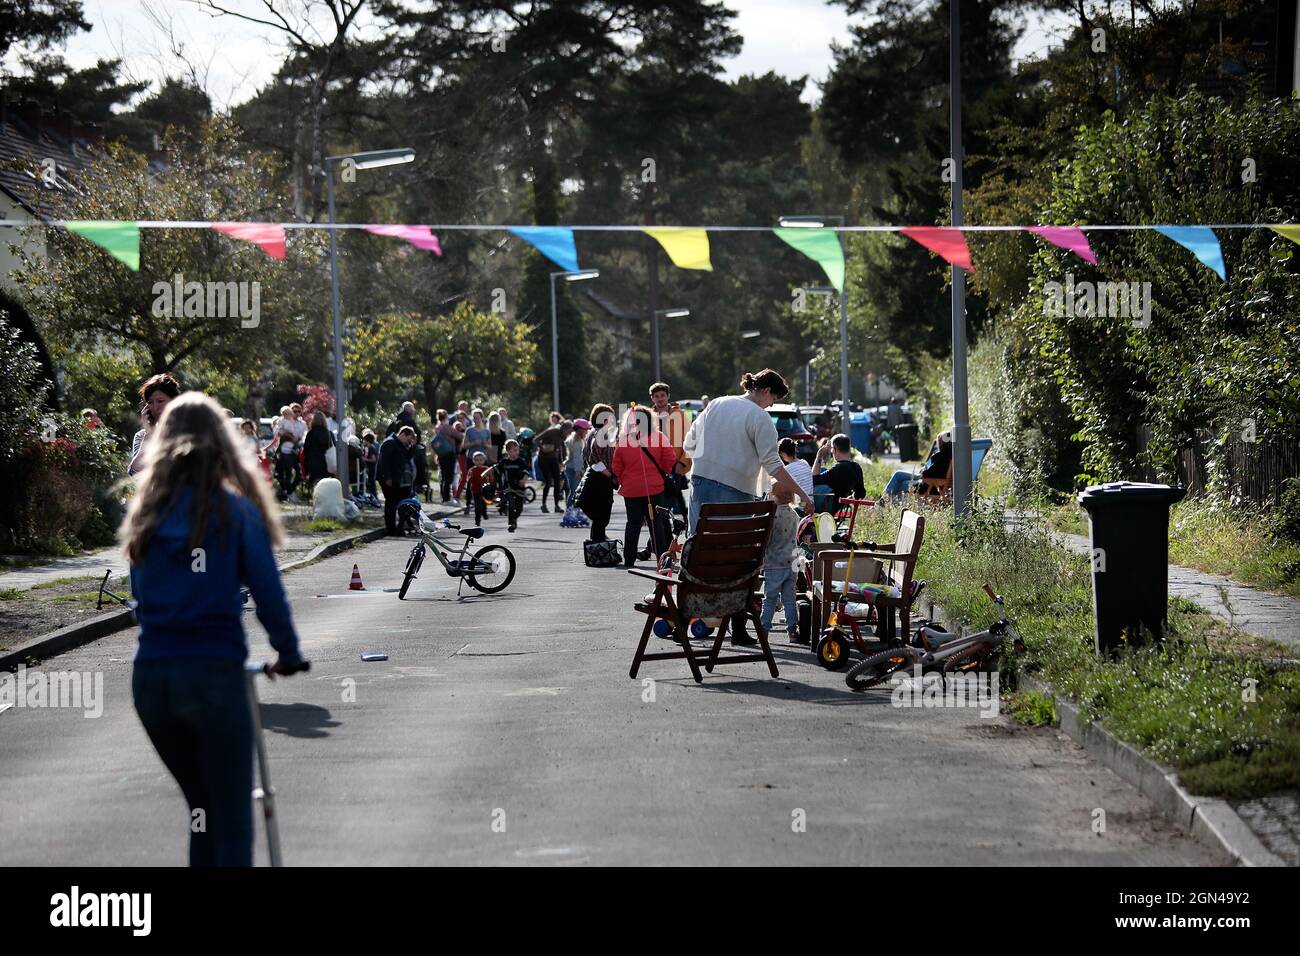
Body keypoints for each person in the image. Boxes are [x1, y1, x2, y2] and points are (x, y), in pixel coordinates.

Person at [122, 392, 304, 867]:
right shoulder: (235, 511)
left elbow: (140, 597)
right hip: (213, 676)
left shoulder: (146, 513)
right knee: (233, 820)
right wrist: (287, 652)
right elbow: (268, 594)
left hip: (153, 680)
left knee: (202, 809)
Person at [681, 368, 813, 534]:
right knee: (732, 549)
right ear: (766, 391)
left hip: (700, 482)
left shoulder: (716, 403)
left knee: (698, 545)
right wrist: (804, 495)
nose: (772, 404)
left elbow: (689, 444)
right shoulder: (761, 417)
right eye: (773, 398)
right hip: (735, 490)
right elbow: (774, 466)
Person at [612, 406, 676, 568]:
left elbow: (616, 466)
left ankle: (629, 558)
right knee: (656, 524)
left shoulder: (624, 440)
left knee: (633, 524)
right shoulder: (659, 437)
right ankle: (662, 559)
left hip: (631, 488)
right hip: (655, 487)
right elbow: (670, 459)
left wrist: (624, 480)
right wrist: (661, 473)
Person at [760, 480, 802, 644]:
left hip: (774, 563)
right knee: (790, 599)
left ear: (773, 495)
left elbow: (767, 540)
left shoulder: (773, 516)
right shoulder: (794, 515)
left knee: (769, 598)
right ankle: (792, 631)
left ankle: (764, 630)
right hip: (792, 562)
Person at [648, 382, 692, 517]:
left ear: (668, 396)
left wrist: (682, 463)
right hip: (654, 467)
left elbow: (691, 441)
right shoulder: (647, 417)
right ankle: (663, 535)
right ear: (652, 398)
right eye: (656, 396)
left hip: (674, 465)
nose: (660, 398)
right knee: (659, 505)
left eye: (662, 395)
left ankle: (663, 535)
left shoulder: (681, 415)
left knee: (667, 504)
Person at [128, 373, 182, 476]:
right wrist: (149, 434)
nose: (155, 407)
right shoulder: (142, 436)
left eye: (160, 401)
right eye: (150, 403)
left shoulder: (189, 430)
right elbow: (135, 473)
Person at [580, 404, 618, 542]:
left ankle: (598, 546)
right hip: (600, 480)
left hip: (597, 479)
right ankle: (598, 550)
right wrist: (610, 475)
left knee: (600, 519)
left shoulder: (595, 432)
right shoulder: (600, 433)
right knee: (601, 516)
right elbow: (595, 460)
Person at [883, 430, 953, 500]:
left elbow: (926, 474)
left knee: (899, 481)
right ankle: (886, 502)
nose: (938, 444)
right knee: (899, 476)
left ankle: (884, 501)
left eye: (938, 442)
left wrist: (923, 470)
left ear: (942, 443)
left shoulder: (940, 457)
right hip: (935, 485)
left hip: (930, 486)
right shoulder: (950, 455)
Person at [377, 426, 418, 535]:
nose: (409, 442)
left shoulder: (400, 444)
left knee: (395, 503)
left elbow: (406, 457)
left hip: (396, 478)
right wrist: (387, 477)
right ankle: (390, 528)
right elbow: (384, 462)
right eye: (409, 439)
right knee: (390, 503)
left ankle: (396, 527)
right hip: (388, 478)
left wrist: (413, 447)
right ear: (403, 434)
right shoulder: (390, 443)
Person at [812, 433, 866, 511]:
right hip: (841, 506)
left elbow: (814, 480)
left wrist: (819, 456)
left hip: (829, 508)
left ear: (835, 449)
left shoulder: (838, 469)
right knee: (823, 469)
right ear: (849, 448)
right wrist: (850, 497)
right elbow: (861, 493)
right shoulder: (856, 467)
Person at [492, 439, 529, 533]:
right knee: (511, 504)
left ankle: (513, 520)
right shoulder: (504, 462)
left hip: (519, 487)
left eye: (517, 450)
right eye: (514, 450)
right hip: (508, 487)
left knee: (519, 509)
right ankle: (511, 523)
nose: (517, 452)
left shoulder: (521, 461)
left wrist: (523, 480)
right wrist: (486, 475)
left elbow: (526, 472)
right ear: (508, 451)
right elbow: (495, 469)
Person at [534, 418, 570, 513]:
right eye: (567, 431)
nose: (568, 433)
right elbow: (536, 440)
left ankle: (556, 505)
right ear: (563, 428)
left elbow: (563, 448)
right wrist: (543, 448)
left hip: (553, 459)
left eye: (569, 432)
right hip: (543, 459)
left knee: (557, 480)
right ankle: (544, 505)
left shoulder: (564, 436)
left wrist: (563, 461)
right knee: (548, 480)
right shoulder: (552, 431)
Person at [431, 409, 460, 502]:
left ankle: (444, 497)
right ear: (446, 417)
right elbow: (459, 436)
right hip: (449, 454)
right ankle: (447, 498)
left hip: (440, 455)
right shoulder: (446, 427)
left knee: (443, 476)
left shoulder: (437, 427)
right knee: (448, 477)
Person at [779, 437, 814, 502]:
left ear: (783, 453)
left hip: (798, 506)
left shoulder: (786, 470)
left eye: (780, 454)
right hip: (810, 503)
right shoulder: (805, 463)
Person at [564, 419, 590, 508]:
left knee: (576, 492)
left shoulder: (573, 439)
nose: (587, 432)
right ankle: (569, 514)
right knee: (574, 493)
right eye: (585, 430)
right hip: (574, 470)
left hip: (572, 468)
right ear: (580, 430)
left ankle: (575, 513)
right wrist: (578, 471)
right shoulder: (577, 442)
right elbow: (576, 458)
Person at [302, 411, 332, 487]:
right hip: (326, 463)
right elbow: (332, 448)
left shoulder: (310, 433)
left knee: (316, 485)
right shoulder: (328, 433)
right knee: (326, 485)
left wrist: (306, 467)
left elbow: (306, 450)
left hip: (313, 463)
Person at [466, 451, 493, 526]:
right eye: (477, 460)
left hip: (485, 490)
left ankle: (484, 513)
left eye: (481, 460)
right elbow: (468, 479)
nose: (479, 462)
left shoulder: (486, 469)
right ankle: (477, 520)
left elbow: (491, 479)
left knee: (484, 504)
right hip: (475, 490)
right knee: (477, 505)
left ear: (484, 460)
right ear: (473, 461)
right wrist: (470, 478)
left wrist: (489, 481)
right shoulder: (472, 470)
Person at [360, 430, 379, 501]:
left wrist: (365, 459)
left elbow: (374, 459)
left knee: (371, 483)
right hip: (367, 468)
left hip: (371, 469)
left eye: (364, 440)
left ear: (368, 441)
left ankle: (375, 497)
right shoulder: (366, 448)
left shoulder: (371, 448)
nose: (363, 441)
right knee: (368, 483)